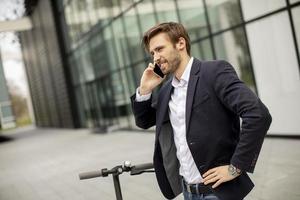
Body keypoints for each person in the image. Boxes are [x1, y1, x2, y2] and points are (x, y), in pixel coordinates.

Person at [130, 22, 272, 200]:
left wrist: (236, 167)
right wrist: (145, 90)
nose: (155, 58)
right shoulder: (167, 90)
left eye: (160, 49)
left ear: (180, 43)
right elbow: (144, 121)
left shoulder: (214, 72)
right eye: (152, 53)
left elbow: (258, 114)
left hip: (217, 192)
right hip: (187, 191)